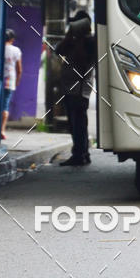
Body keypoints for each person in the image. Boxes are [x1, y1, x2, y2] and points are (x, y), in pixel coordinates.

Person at [55, 10, 96, 166]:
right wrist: (70, 35)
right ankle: (82, 153)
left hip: (80, 90)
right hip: (69, 88)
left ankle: (80, 154)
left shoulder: (90, 42)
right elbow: (59, 50)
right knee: (74, 124)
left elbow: (83, 59)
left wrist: (78, 37)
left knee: (79, 123)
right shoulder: (71, 40)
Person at [2, 29, 22, 141]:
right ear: (12, 40)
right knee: (5, 106)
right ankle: (2, 130)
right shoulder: (16, 50)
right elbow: (19, 69)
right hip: (10, 81)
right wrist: (17, 82)